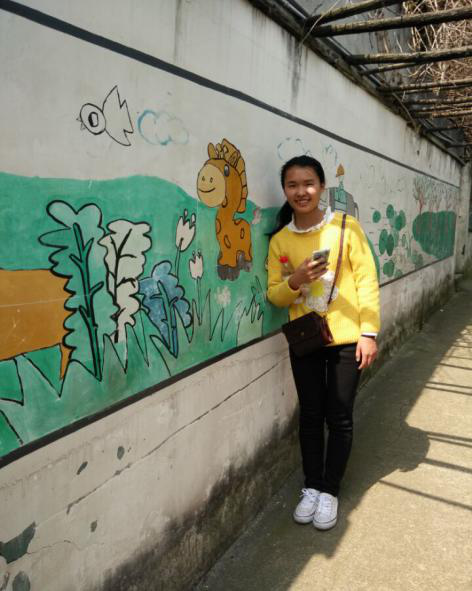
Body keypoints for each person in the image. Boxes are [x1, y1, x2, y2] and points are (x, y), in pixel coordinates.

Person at [267, 155, 380, 530]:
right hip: (307, 339)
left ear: (322, 187)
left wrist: (368, 333)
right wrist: (296, 279)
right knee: (311, 415)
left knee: (340, 415)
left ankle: (330, 490)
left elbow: (366, 281)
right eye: (293, 185)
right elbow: (275, 296)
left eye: (308, 183)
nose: (301, 191)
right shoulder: (281, 240)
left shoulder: (346, 227)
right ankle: (312, 485)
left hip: (348, 338)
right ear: (285, 190)